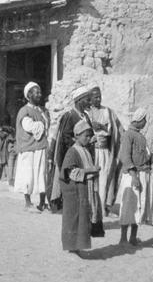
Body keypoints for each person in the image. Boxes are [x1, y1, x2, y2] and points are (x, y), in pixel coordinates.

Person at [60, 119, 103, 255]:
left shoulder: (84, 149)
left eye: (90, 136)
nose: (89, 138)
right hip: (76, 192)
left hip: (84, 189)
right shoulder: (72, 152)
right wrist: (91, 170)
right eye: (86, 136)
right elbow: (71, 172)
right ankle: (72, 247)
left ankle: (77, 246)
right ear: (77, 135)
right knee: (74, 218)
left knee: (82, 219)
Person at [49, 86, 93, 212]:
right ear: (79, 100)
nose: (89, 102)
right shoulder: (70, 116)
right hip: (73, 155)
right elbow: (65, 137)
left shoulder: (85, 116)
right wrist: (80, 144)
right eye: (87, 100)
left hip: (85, 153)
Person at [117, 107, 153, 245]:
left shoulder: (140, 136)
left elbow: (145, 156)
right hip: (132, 175)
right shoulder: (128, 135)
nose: (146, 122)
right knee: (128, 206)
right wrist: (134, 176)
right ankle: (123, 238)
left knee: (139, 207)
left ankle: (133, 238)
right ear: (139, 120)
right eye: (145, 119)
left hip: (142, 175)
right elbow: (125, 156)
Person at [86, 85, 124, 216]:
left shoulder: (108, 111)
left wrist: (102, 126)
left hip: (105, 151)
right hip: (92, 152)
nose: (98, 99)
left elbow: (118, 129)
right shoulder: (87, 113)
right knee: (92, 181)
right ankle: (93, 209)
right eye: (95, 97)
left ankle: (104, 209)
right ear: (89, 99)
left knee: (106, 179)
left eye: (99, 96)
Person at [13, 82, 50, 211]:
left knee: (41, 175)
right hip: (29, 148)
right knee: (28, 175)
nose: (39, 94)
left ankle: (41, 202)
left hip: (40, 147)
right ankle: (28, 203)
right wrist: (41, 124)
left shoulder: (42, 110)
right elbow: (30, 127)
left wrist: (42, 124)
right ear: (29, 95)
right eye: (36, 92)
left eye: (40, 92)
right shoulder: (25, 111)